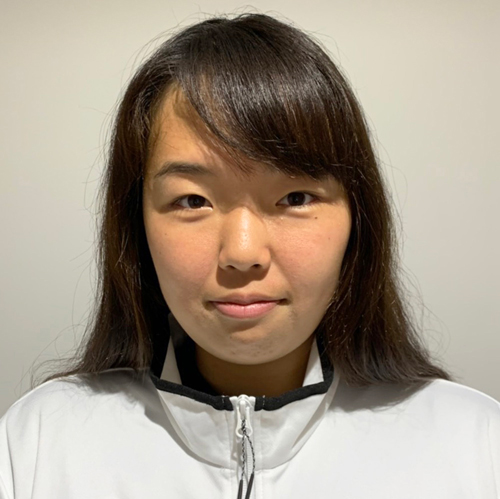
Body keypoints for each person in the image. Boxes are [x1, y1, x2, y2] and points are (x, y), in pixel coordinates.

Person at [0, 12, 498, 499]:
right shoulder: (39, 444)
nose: (242, 253)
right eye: (192, 200)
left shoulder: (474, 446)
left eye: (295, 198)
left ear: (358, 220)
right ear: (136, 225)